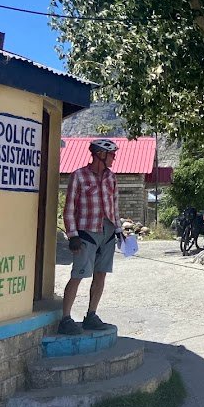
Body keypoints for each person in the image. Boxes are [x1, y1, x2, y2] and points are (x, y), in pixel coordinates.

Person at [59, 138, 123, 335]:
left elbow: (115, 206)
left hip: (108, 232)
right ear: (100, 155)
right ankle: (66, 318)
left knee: (101, 273)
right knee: (78, 274)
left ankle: (91, 315)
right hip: (86, 233)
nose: (114, 158)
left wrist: (119, 230)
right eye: (111, 154)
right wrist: (72, 235)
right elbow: (69, 209)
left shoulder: (111, 178)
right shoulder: (78, 176)